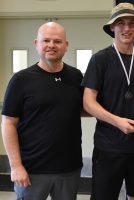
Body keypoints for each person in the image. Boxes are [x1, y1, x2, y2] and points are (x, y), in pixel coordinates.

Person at [81, 3, 134, 200]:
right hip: (109, 146)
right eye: (120, 23)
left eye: (132, 23)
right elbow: (88, 102)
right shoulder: (100, 59)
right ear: (112, 27)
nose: (127, 28)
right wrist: (117, 121)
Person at [1, 22, 83, 200]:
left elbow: (83, 108)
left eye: (57, 41)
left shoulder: (76, 77)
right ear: (36, 43)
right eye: (46, 40)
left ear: (66, 46)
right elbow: (8, 124)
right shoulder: (20, 80)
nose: (51, 45)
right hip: (31, 171)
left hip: (69, 169)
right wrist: (16, 166)